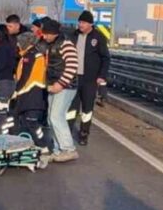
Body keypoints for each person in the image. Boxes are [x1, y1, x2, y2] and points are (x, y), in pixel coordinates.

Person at [68, 10, 111, 145]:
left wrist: (101, 76)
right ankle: (67, 131)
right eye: (79, 22)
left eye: (83, 23)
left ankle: (84, 133)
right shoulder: (73, 36)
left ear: (90, 24)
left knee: (87, 109)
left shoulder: (98, 37)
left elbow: (105, 58)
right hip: (74, 78)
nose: (80, 25)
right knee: (71, 107)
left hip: (89, 79)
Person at [41, 18, 79, 162]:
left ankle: (69, 149)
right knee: (51, 118)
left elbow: (72, 65)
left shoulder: (66, 45)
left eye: (46, 34)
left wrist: (61, 84)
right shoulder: (50, 46)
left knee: (57, 116)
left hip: (65, 87)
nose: (44, 37)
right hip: (53, 85)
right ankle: (57, 150)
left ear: (53, 33)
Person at [11, 25, 49, 147]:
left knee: (31, 122)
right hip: (33, 93)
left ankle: (42, 144)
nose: (17, 45)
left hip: (31, 93)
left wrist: (16, 90)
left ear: (25, 43)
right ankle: (18, 142)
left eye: (19, 43)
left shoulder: (30, 56)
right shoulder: (33, 54)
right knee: (18, 118)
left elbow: (25, 76)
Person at [0, 24, 17, 134]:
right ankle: (9, 134)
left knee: (0, 112)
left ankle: (3, 138)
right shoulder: (10, 46)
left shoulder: (1, 48)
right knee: (7, 112)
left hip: (2, 82)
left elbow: (0, 65)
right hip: (10, 81)